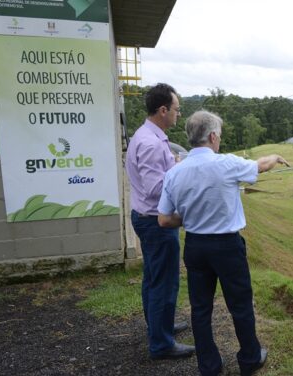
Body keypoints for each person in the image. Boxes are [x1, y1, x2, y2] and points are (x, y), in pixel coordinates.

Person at [157, 110, 289, 376]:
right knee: (240, 305)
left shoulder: (174, 172)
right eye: (220, 136)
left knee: (200, 308)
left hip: (195, 246)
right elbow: (260, 165)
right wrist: (274, 156)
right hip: (227, 247)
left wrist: (192, 215)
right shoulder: (226, 164)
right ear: (213, 136)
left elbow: (163, 220)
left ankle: (209, 366)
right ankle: (250, 358)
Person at [125, 83, 195, 360]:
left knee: (153, 278)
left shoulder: (146, 136)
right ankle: (161, 344)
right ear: (163, 110)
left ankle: (159, 326)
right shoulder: (152, 144)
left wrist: (172, 165)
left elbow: (152, 178)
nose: (179, 114)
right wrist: (179, 172)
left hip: (145, 216)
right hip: (156, 221)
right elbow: (156, 188)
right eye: (176, 109)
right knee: (164, 283)